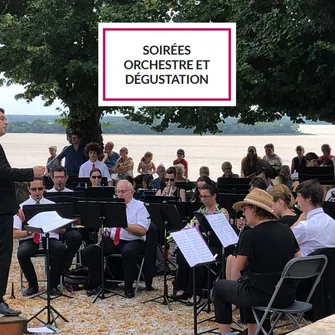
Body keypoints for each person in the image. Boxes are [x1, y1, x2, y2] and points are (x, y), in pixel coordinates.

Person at [213, 188, 300, 335]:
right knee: (247, 283)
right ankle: (253, 331)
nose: (243, 212)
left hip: (261, 295)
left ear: (254, 209)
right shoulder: (286, 230)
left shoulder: (250, 234)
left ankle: (226, 333)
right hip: (286, 295)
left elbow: (239, 266)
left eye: (245, 208)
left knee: (220, 287)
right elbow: (298, 259)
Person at [0, 107, 45, 316]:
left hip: (4, 207)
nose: (6, 122)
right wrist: (30, 173)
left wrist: (15, 205)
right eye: (1, 119)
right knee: (3, 254)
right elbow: (3, 174)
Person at [82, 180, 150, 298]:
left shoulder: (140, 207)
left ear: (131, 192)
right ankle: (100, 284)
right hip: (115, 240)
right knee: (90, 251)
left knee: (128, 251)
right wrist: (105, 231)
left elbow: (143, 230)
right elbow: (109, 229)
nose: (120, 195)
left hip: (134, 240)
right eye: (118, 192)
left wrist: (124, 224)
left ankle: (128, 286)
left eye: (123, 192)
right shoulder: (113, 205)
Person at [174, 183, 230, 305]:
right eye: (201, 196)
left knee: (201, 256)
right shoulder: (201, 210)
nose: (203, 199)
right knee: (185, 252)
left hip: (216, 244)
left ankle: (196, 292)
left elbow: (224, 234)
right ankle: (181, 286)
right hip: (204, 241)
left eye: (206, 196)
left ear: (214, 196)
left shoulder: (222, 211)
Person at [13, 178, 67, 297]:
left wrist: (53, 225)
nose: (37, 192)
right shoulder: (21, 208)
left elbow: (63, 230)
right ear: (28, 189)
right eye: (34, 189)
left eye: (40, 189)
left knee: (61, 249)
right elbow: (14, 233)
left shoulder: (52, 205)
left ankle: (53, 285)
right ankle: (33, 285)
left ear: (44, 189)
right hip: (31, 238)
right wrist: (28, 232)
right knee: (22, 253)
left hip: (49, 237)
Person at [46, 166, 83, 274]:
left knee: (77, 237)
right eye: (57, 177)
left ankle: (64, 266)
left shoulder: (72, 194)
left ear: (66, 178)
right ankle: (59, 268)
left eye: (61, 177)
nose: (59, 180)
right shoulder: (46, 195)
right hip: (52, 230)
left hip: (67, 227)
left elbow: (79, 218)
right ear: (52, 178)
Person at [291, 180, 335, 256]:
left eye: (298, 196)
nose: (296, 200)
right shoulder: (332, 222)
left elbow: (284, 241)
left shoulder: (304, 227)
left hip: (305, 266)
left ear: (308, 198)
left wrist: (298, 221)